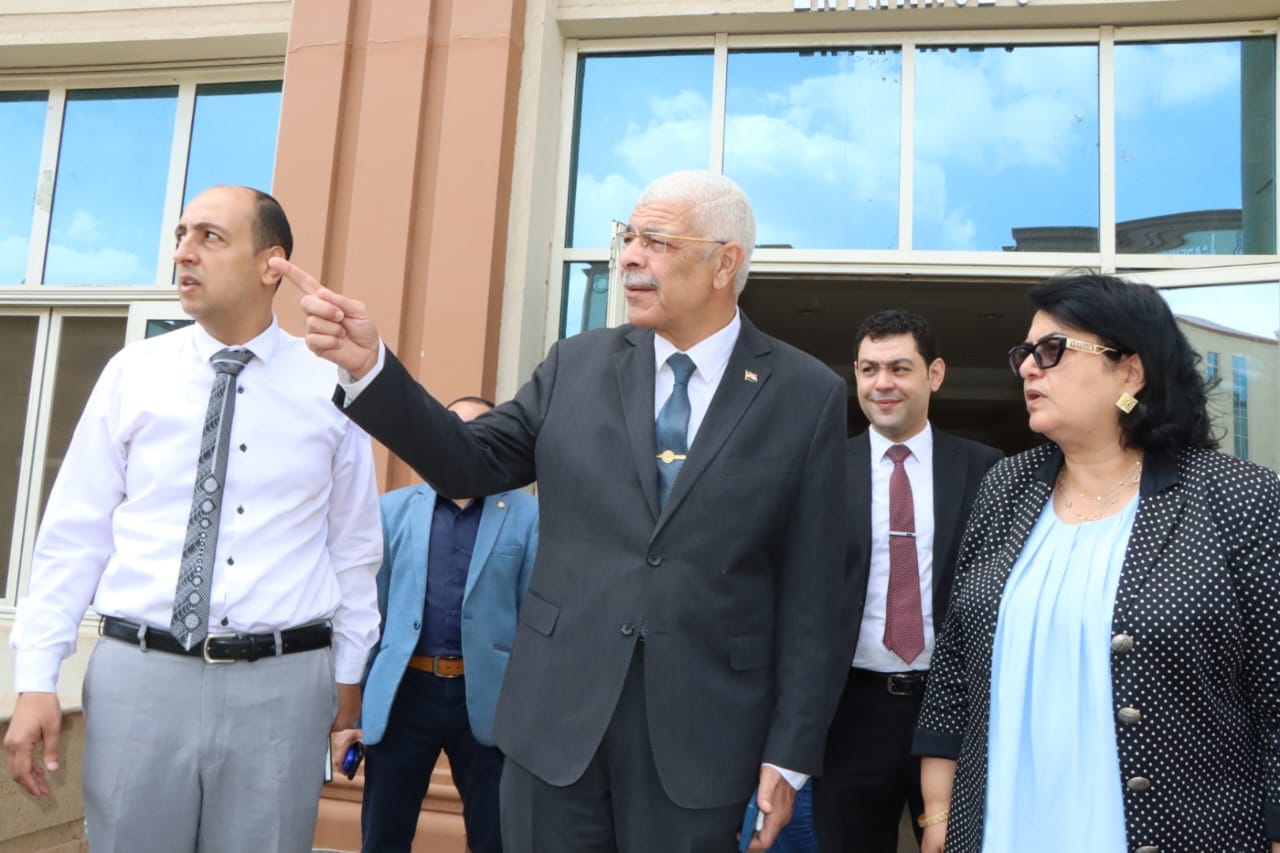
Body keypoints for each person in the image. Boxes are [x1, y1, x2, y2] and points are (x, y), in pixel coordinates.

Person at [273, 169, 850, 852]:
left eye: (657, 241)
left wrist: (789, 755)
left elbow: (816, 596)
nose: (631, 257)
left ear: (725, 263)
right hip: (555, 731)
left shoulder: (804, 394)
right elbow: (466, 463)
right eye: (628, 237)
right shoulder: (577, 365)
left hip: (704, 742)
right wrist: (371, 368)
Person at [3, 185, 383, 853]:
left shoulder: (331, 384)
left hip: (282, 687)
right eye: (181, 235)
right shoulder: (133, 373)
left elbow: (353, 549)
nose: (183, 252)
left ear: (271, 264)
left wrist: (347, 679)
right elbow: (73, 536)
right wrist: (36, 678)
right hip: (139, 678)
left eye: (210, 237)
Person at [913, 273, 1280, 853]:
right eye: (1024, 353)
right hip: (1005, 829)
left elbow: (1274, 687)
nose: (1028, 367)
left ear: (1130, 372)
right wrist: (937, 813)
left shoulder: (1237, 497)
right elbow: (956, 662)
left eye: (1051, 350)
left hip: (1181, 831)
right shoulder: (1004, 489)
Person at [815, 310, 1000, 853]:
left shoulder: (988, 471)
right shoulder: (822, 468)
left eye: (899, 368)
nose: (882, 384)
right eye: (869, 369)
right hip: (850, 712)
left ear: (934, 374)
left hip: (954, 706)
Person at [333, 395, 538, 853]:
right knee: (384, 835)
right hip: (405, 695)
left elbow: (534, 622)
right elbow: (369, 613)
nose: (461, 440)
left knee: (495, 838)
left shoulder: (528, 517)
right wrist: (353, 712)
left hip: (489, 701)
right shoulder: (391, 511)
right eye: (451, 428)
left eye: (477, 431)